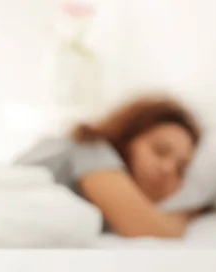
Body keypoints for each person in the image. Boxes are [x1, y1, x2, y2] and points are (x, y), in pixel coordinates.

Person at [17, 96, 202, 237]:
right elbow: (152, 228)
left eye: (181, 170)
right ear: (128, 139)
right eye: (160, 151)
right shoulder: (91, 147)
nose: (167, 169)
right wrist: (190, 212)